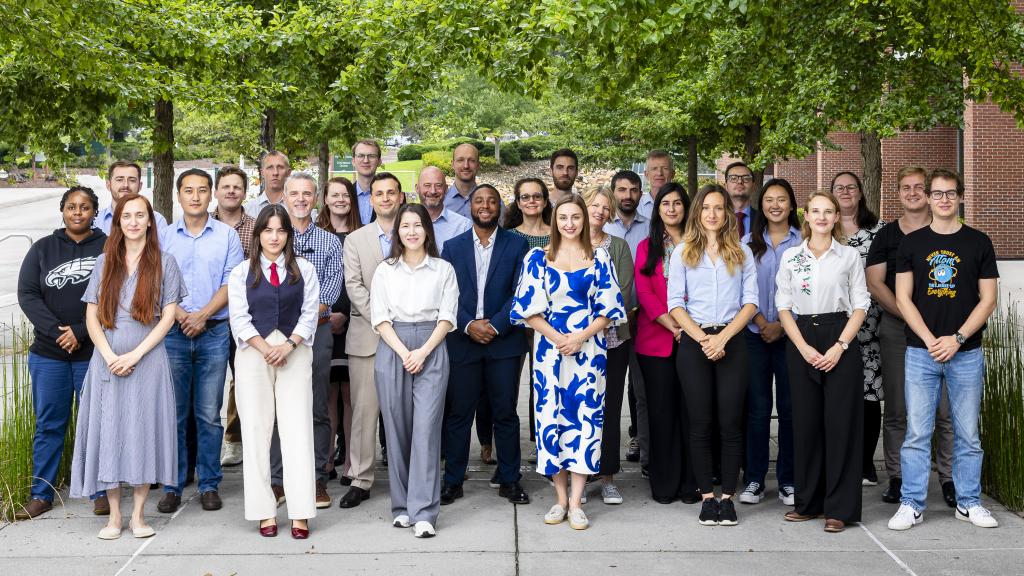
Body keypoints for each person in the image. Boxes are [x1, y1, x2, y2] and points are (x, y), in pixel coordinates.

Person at [888, 169, 999, 531]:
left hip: (966, 352)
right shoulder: (912, 244)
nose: (944, 199)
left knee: (969, 433)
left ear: (961, 197)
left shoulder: (979, 242)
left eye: (950, 193)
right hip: (921, 352)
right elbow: (903, 297)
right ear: (929, 198)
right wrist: (930, 338)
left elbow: (988, 299)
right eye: (937, 194)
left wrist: (957, 338)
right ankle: (912, 503)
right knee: (917, 433)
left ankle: (968, 502)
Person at [70, 193, 185, 540]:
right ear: (117, 222)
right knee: (110, 432)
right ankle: (114, 516)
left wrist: (135, 355)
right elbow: (91, 316)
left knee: (143, 431)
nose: (133, 222)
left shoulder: (165, 262)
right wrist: (107, 355)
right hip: (106, 358)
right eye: (126, 216)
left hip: (147, 358)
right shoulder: (105, 263)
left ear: (150, 221)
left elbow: (167, 318)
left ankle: (138, 515)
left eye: (140, 215)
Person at [511, 195, 626, 531]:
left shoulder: (599, 257)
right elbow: (527, 310)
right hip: (550, 353)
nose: (570, 223)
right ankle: (559, 499)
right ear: (555, 220)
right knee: (551, 424)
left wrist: (579, 337)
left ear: (585, 220)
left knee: (585, 423)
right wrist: (559, 337)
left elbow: (610, 309)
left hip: (589, 352)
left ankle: (577, 502)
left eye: (576, 217)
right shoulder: (538, 257)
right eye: (564, 217)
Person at [777, 191, 869, 534]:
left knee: (841, 425)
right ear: (806, 216)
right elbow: (783, 307)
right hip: (801, 338)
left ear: (835, 218)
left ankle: (839, 509)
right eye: (815, 211)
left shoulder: (848, 257)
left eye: (827, 211)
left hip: (839, 334)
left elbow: (861, 304)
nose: (821, 216)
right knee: (806, 424)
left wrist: (840, 345)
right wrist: (801, 347)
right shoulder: (791, 257)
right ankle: (809, 503)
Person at [667, 184, 758, 527]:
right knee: (701, 423)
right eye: (707, 207)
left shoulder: (743, 252)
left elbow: (751, 302)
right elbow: (674, 303)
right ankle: (708, 497)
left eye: (719, 208)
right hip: (696, 342)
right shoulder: (683, 252)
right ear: (698, 212)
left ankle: (729, 498)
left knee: (731, 423)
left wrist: (723, 339)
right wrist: (705, 339)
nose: (712, 214)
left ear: (728, 214)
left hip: (732, 342)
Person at [227, 204, 320, 539]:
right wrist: (265, 348)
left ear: (289, 235)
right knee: (255, 431)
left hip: (294, 352)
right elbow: (238, 317)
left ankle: (300, 511)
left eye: (281, 230)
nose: (274, 236)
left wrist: (289, 345)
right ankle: (264, 510)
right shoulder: (241, 273)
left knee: (297, 430)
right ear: (258, 235)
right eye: (268, 230)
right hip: (254, 354)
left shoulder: (305, 270)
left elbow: (310, 314)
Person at [15, 186, 106, 519]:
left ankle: (101, 491)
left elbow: (113, 294)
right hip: (48, 354)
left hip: (93, 353)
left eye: (84, 207)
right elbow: (28, 295)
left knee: (96, 423)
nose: (78, 212)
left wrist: (80, 332)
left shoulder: (109, 246)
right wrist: (58, 333)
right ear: (63, 211)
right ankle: (42, 494)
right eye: (71, 207)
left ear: (94, 211)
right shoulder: (42, 249)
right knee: (49, 425)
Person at [866, 166, 955, 507]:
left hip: (943, 333)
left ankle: (948, 479)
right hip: (897, 330)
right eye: (906, 187)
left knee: (945, 410)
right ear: (898, 193)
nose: (913, 192)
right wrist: (911, 317)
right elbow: (875, 283)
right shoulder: (887, 236)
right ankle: (898, 477)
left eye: (920, 187)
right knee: (899, 410)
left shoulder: (946, 234)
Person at [155, 168, 243, 514]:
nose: (195, 196)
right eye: (188, 190)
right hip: (172, 333)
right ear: (178, 195)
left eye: (202, 190)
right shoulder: (163, 237)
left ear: (211, 195)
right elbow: (157, 280)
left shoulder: (226, 236)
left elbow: (230, 284)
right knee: (175, 414)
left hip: (214, 332)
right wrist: (179, 315)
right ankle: (174, 485)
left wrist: (203, 315)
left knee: (208, 414)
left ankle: (209, 484)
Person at [371, 203, 459, 538]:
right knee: (397, 429)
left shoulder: (442, 269)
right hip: (393, 345)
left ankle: (424, 512)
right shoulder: (385, 270)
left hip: (431, 346)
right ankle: (402, 507)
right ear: (397, 232)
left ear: (427, 230)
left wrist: (422, 351)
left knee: (425, 429)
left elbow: (448, 317)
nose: (411, 231)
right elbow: (379, 317)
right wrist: (405, 351)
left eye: (417, 225)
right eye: (405, 226)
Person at [440, 184, 531, 506]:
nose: (485, 205)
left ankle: (510, 479)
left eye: (492, 201)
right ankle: (453, 480)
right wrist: (467, 324)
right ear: (471, 207)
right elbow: (446, 294)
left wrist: (494, 325)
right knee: (459, 414)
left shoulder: (517, 245)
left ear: (500, 208)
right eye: (479, 200)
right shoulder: (452, 248)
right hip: (463, 341)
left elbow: (521, 293)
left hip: (503, 341)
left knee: (505, 412)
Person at [268, 173, 343, 510]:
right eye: (294, 193)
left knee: (315, 407)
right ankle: (277, 481)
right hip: (273, 335)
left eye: (307, 194)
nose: (300, 199)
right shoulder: (271, 237)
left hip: (316, 332)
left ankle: (317, 480)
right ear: (284, 196)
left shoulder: (329, 243)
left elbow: (328, 293)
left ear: (316, 199)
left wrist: (297, 328)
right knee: (275, 408)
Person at [341, 172, 405, 508]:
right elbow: (354, 287)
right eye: (378, 193)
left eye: (390, 192)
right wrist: (383, 322)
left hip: (409, 338)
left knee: (404, 411)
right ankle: (361, 479)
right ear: (372, 199)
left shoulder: (413, 233)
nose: (385, 198)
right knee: (365, 412)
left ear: (400, 196)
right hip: (368, 336)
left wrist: (403, 325)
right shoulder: (355, 240)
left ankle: (405, 476)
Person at [739, 179, 801, 507]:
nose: (775, 205)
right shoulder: (746, 243)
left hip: (793, 339)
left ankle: (789, 480)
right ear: (761, 206)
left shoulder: (804, 243)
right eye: (769, 200)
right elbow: (740, 292)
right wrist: (763, 323)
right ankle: (754, 479)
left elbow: (807, 292)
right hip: (754, 336)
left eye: (782, 199)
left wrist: (782, 327)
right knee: (758, 410)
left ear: (792, 205)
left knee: (791, 409)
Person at [634, 183, 697, 505]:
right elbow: (644, 292)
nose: (671, 209)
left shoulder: (699, 245)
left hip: (695, 338)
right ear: (657, 210)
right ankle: (664, 482)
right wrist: (672, 324)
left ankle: (691, 483)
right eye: (665, 204)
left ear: (687, 207)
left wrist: (687, 327)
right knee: (661, 412)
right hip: (655, 340)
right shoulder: (647, 247)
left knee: (691, 412)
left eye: (677, 203)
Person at [830, 171, 885, 486]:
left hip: (869, 328)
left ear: (861, 193)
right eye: (840, 188)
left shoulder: (879, 231)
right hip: (833, 326)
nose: (846, 192)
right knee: (840, 397)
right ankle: (842, 461)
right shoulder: (825, 230)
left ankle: (865, 464)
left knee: (868, 397)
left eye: (851, 187)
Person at [584, 185, 633, 505]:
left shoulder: (619, 246)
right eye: (595, 206)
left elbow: (625, 293)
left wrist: (597, 322)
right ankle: (580, 476)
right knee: (580, 409)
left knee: (609, 409)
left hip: (613, 341)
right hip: (575, 342)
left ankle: (608, 478)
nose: (600, 212)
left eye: (606, 207)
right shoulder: (566, 244)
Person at [316, 176, 363, 485]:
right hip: (321, 323)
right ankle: (328, 457)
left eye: (345, 195)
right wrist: (326, 314)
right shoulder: (318, 235)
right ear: (326, 199)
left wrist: (346, 314)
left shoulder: (362, 235)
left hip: (354, 322)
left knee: (351, 395)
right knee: (326, 396)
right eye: (334, 195)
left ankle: (351, 461)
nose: (340, 200)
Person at [603, 169, 649, 470]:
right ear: (613, 193)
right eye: (621, 190)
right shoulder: (603, 227)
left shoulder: (650, 227)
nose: (627, 195)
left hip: (645, 316)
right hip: (608, 323)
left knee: (642, 388)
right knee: (608, 389)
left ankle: (642, 443)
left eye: (633, 190)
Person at [503, 177, 552, 457]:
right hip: (514, 320)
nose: (531, 201)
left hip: (549, 320)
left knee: (542, 381)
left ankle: (539, 440)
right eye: (525, 197)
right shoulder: (509, 236)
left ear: (545, 201)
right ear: (517, 202)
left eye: (537, 196)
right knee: (509, 383)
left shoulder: (556, 233)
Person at [213, 165, 256, 468]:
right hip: (210, 317)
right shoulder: (202, 224)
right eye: (225, 186)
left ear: (245, 191)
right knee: (211, 384)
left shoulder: (256, 227)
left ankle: (237, 440)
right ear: (216, 191)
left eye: (236, 187)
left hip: (246, 316)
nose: (231, 191)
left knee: (244, 380)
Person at [96, 160, 167, 233]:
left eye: (132, 180)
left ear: (140, 186)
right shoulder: (95, 221)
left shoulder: (157, 220)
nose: (126, 185)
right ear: (108, 185)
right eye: (119, 180)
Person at [417, 165, 471, 250]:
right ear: (417, 188)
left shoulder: (464, 227)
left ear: (446, 189)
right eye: (427, 185)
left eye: (438, 185)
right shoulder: (404, 224)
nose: (433, 191)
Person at [244, 151, 291, 218]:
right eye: (270, 167)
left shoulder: (299, 207)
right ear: (262, 173)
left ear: (288, 172)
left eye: (280, 167)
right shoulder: (247, 210)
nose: (275, 173)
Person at [445, 143, 481, 219]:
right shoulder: (440, 202)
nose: (466, 166)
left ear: (478, 165)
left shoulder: (494, 203)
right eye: (460, 160)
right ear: (453, 164)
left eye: (471, 160)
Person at [722, 161, 758, 238]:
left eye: (746, 178)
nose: (739, 181)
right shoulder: (716, 218)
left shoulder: (763, 219)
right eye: (733, 178)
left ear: (754, 186)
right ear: (726, 186)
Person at [351, 140, 384, 224]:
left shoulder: (392, 196)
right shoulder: (345, 195)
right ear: (353, 161)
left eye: (371, 156)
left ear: (379, 161)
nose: (366, 161)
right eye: (360, 156)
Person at [640, 150, 675, 219]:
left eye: (665, 168)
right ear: (646, 174)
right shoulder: (637, 207)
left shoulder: (684, 206)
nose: (659, 173)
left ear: (673, 174)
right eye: (654, 169)